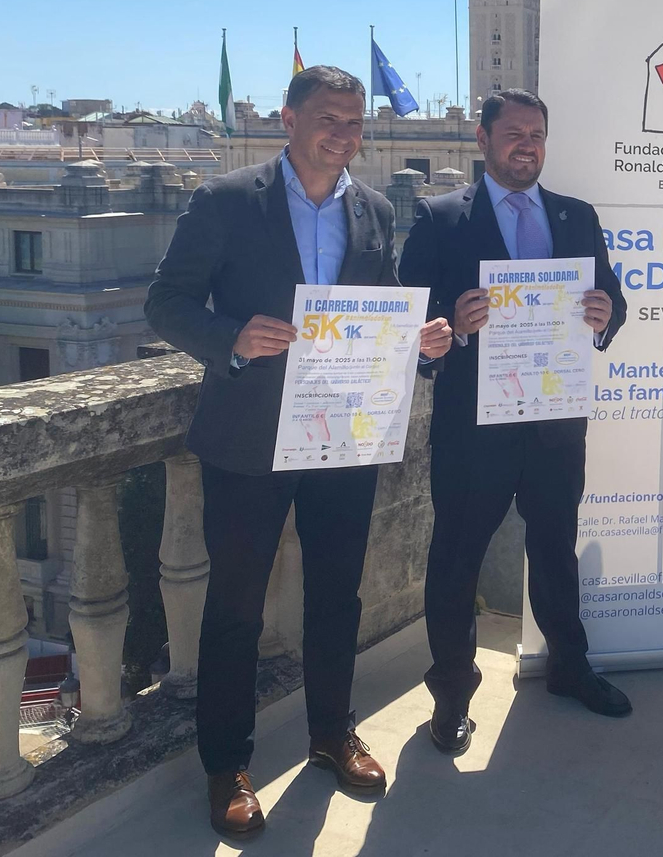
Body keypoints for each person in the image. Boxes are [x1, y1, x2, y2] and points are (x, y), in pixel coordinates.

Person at [144, 66, 453, 840]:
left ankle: (329, 732)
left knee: (336, 594)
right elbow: (165, 302)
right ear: (288, 119)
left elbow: (377, 310)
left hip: (341, 437)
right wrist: (231, 341)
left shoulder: (376, 207)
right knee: (235, 610)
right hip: (248, 439)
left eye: (354, 122)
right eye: (328, 118)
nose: (342, 133)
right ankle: (227, 765)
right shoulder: (225, 201)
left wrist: (420, 346)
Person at [399, 89, 630, 755]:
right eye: (514, 133)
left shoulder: (576, 216)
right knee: (456, 560)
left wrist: (602, 313)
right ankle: (451, 697)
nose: (527, 144)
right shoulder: (440, 218)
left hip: (556, 421)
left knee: (556, 548)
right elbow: (411, 317)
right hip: (474, 430)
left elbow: (614, 301)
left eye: (537, 134)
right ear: (482, 138)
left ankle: (568, 667)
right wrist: (450, 320)